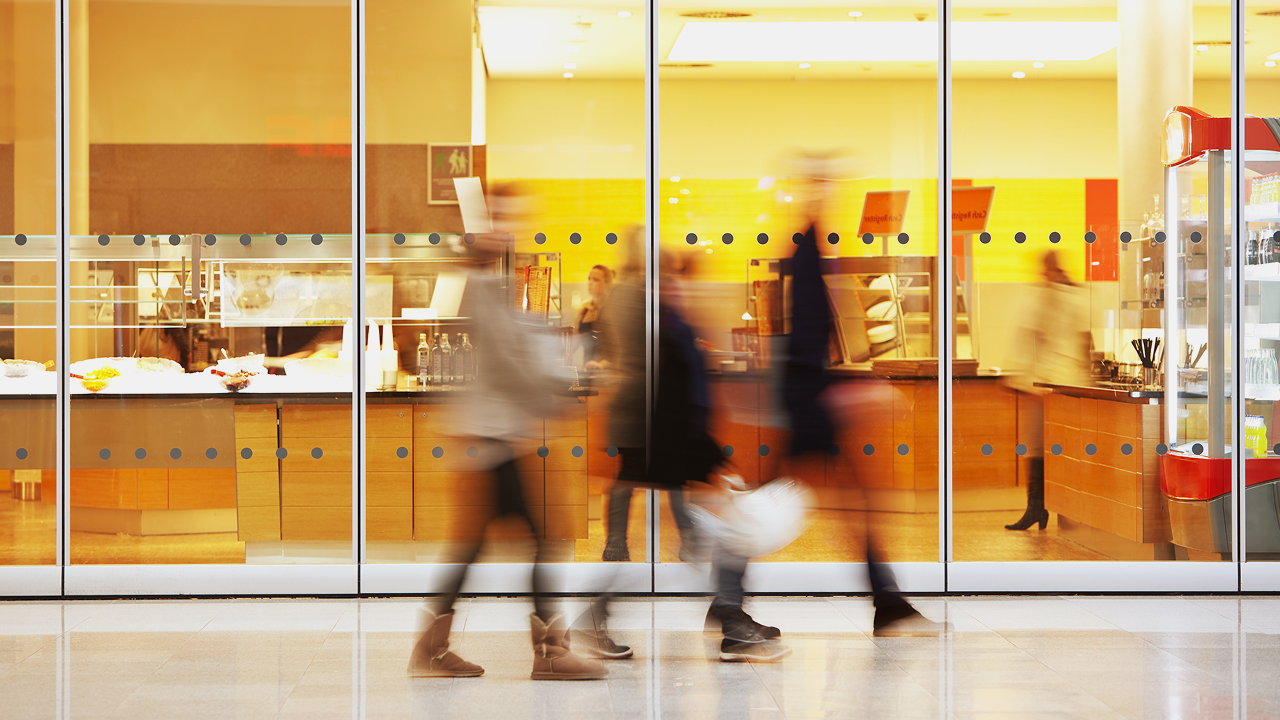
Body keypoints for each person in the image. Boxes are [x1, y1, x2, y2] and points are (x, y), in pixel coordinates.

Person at [407, 235, 613, 681]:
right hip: (491, 439)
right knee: (541, 537)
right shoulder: (479, 286)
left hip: (491, 439)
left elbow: (514, 348)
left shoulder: (487, 287)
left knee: (476, 544)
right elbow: (506, 359)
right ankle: (549, 652)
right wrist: (548, 396)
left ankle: (432, 651)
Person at [1004, 250, 1091, 531]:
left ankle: (1041, 508)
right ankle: (1040, 508)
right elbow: (1083, 342)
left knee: (1041, 447)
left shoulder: (1055, 298)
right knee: (1044, 446)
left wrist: (1020, 376)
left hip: (1053, 385)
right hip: (1058, 383)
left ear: (1049, 270)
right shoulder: (1066, 297)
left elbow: (1031, 339)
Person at [576, 264, 614, 370]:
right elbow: (574, 341)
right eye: (589, 279)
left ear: (607, 284)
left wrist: (602, 365)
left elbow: (619, 349)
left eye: (595, 279)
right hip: (588, 369)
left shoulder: (613, 309)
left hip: (607, 372)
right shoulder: (585, 309)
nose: (590, 283)